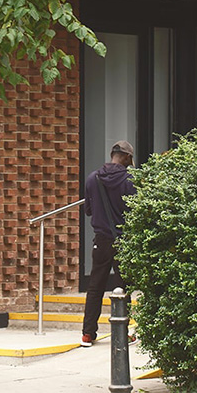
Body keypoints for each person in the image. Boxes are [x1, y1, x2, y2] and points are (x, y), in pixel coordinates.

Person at [81, 140, 136, 346]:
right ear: (127, 157)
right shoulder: (130, 180)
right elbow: (135, 211)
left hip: (101, 240)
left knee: (95, 287)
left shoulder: (92, 178)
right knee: (124, 288)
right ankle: (123, 333)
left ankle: (88, 334)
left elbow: (88, 210)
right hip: (123, 240)